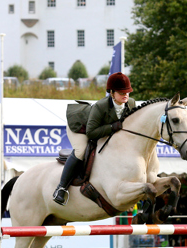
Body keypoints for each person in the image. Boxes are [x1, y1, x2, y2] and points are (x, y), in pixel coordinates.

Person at [53, 72, 136, 205]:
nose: (125, 95)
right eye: (121, 92)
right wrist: (111, 127)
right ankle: (61, 188)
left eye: (127, 92)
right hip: (81, 127)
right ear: (112, 93)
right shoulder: (100, 106)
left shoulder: (131, 103)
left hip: (100, 128)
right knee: (81, 150)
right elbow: (91, 133)